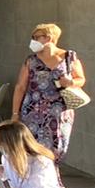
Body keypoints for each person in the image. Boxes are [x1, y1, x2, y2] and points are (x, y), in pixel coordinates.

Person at [14, 23, 85, 162]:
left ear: (49, 38)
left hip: (59, 111)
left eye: (37, 37)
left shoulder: (69, 58)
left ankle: (51, 176)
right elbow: (20, 87)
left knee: (56, 147)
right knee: (31, 147)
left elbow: (81, 79)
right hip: (33, 110)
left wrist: (71, 82)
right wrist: (15, 114)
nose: (33, 41)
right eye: (32, 37)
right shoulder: (31, 60)